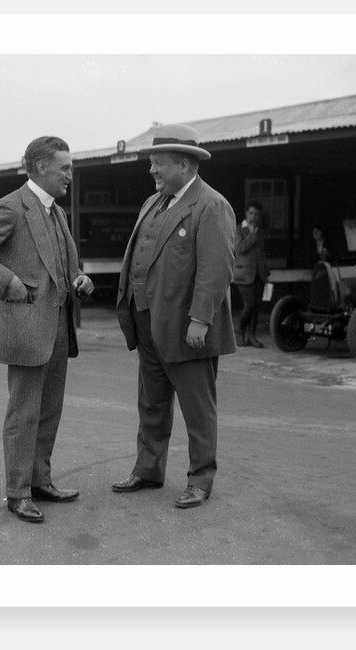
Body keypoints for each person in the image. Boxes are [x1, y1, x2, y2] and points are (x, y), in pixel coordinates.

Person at [0, 136, 94, 524]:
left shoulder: (56, 212)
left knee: (49, 411)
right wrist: (8, 282)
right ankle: (18, 493)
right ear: (41, 167)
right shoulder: (11, 207)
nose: (70, 175)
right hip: (27, 327)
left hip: (59, 327)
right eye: (64, 167)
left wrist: (79, 278)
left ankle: (40, 481)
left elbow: (63, 266)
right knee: (23, 414)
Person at [112, 123, 237, 509]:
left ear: (184, 165)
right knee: (151, 402)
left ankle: (200, 479)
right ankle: (148, 469)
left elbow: (216, 269)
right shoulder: (153, 202)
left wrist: (200, 319)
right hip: (147, 321)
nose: (152, 171)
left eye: (158, 164)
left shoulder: (211, 205)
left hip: (186, 328)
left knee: (197, 408)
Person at [233, 201, 269, 348]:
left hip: (258, 274)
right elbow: (239, 249)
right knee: (249, 304)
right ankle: (240, 332)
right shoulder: (239, 229)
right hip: (243, 274)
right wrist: (252, 236)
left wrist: (265, 272)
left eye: (256, 214)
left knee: (256, 307)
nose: (253, 216)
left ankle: (252, 336)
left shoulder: (259, 230)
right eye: (251, 213)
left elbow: (262, 253)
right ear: (246, 213)